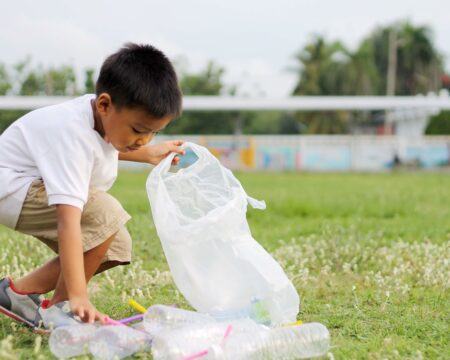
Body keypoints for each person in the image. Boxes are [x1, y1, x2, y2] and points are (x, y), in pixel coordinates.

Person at [0, 43, 184, 329]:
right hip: (10, 188)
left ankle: (17, 293)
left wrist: (145, 154)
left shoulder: (101, 115)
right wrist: (78, 295)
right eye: (138, 130)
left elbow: (100, 145)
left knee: (116, 244)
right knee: (105, 214)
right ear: (105, 105)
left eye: (153, 133)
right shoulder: (71, 132)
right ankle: (62, 311)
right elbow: (68, 221)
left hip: (24, 186)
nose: (144, 139)